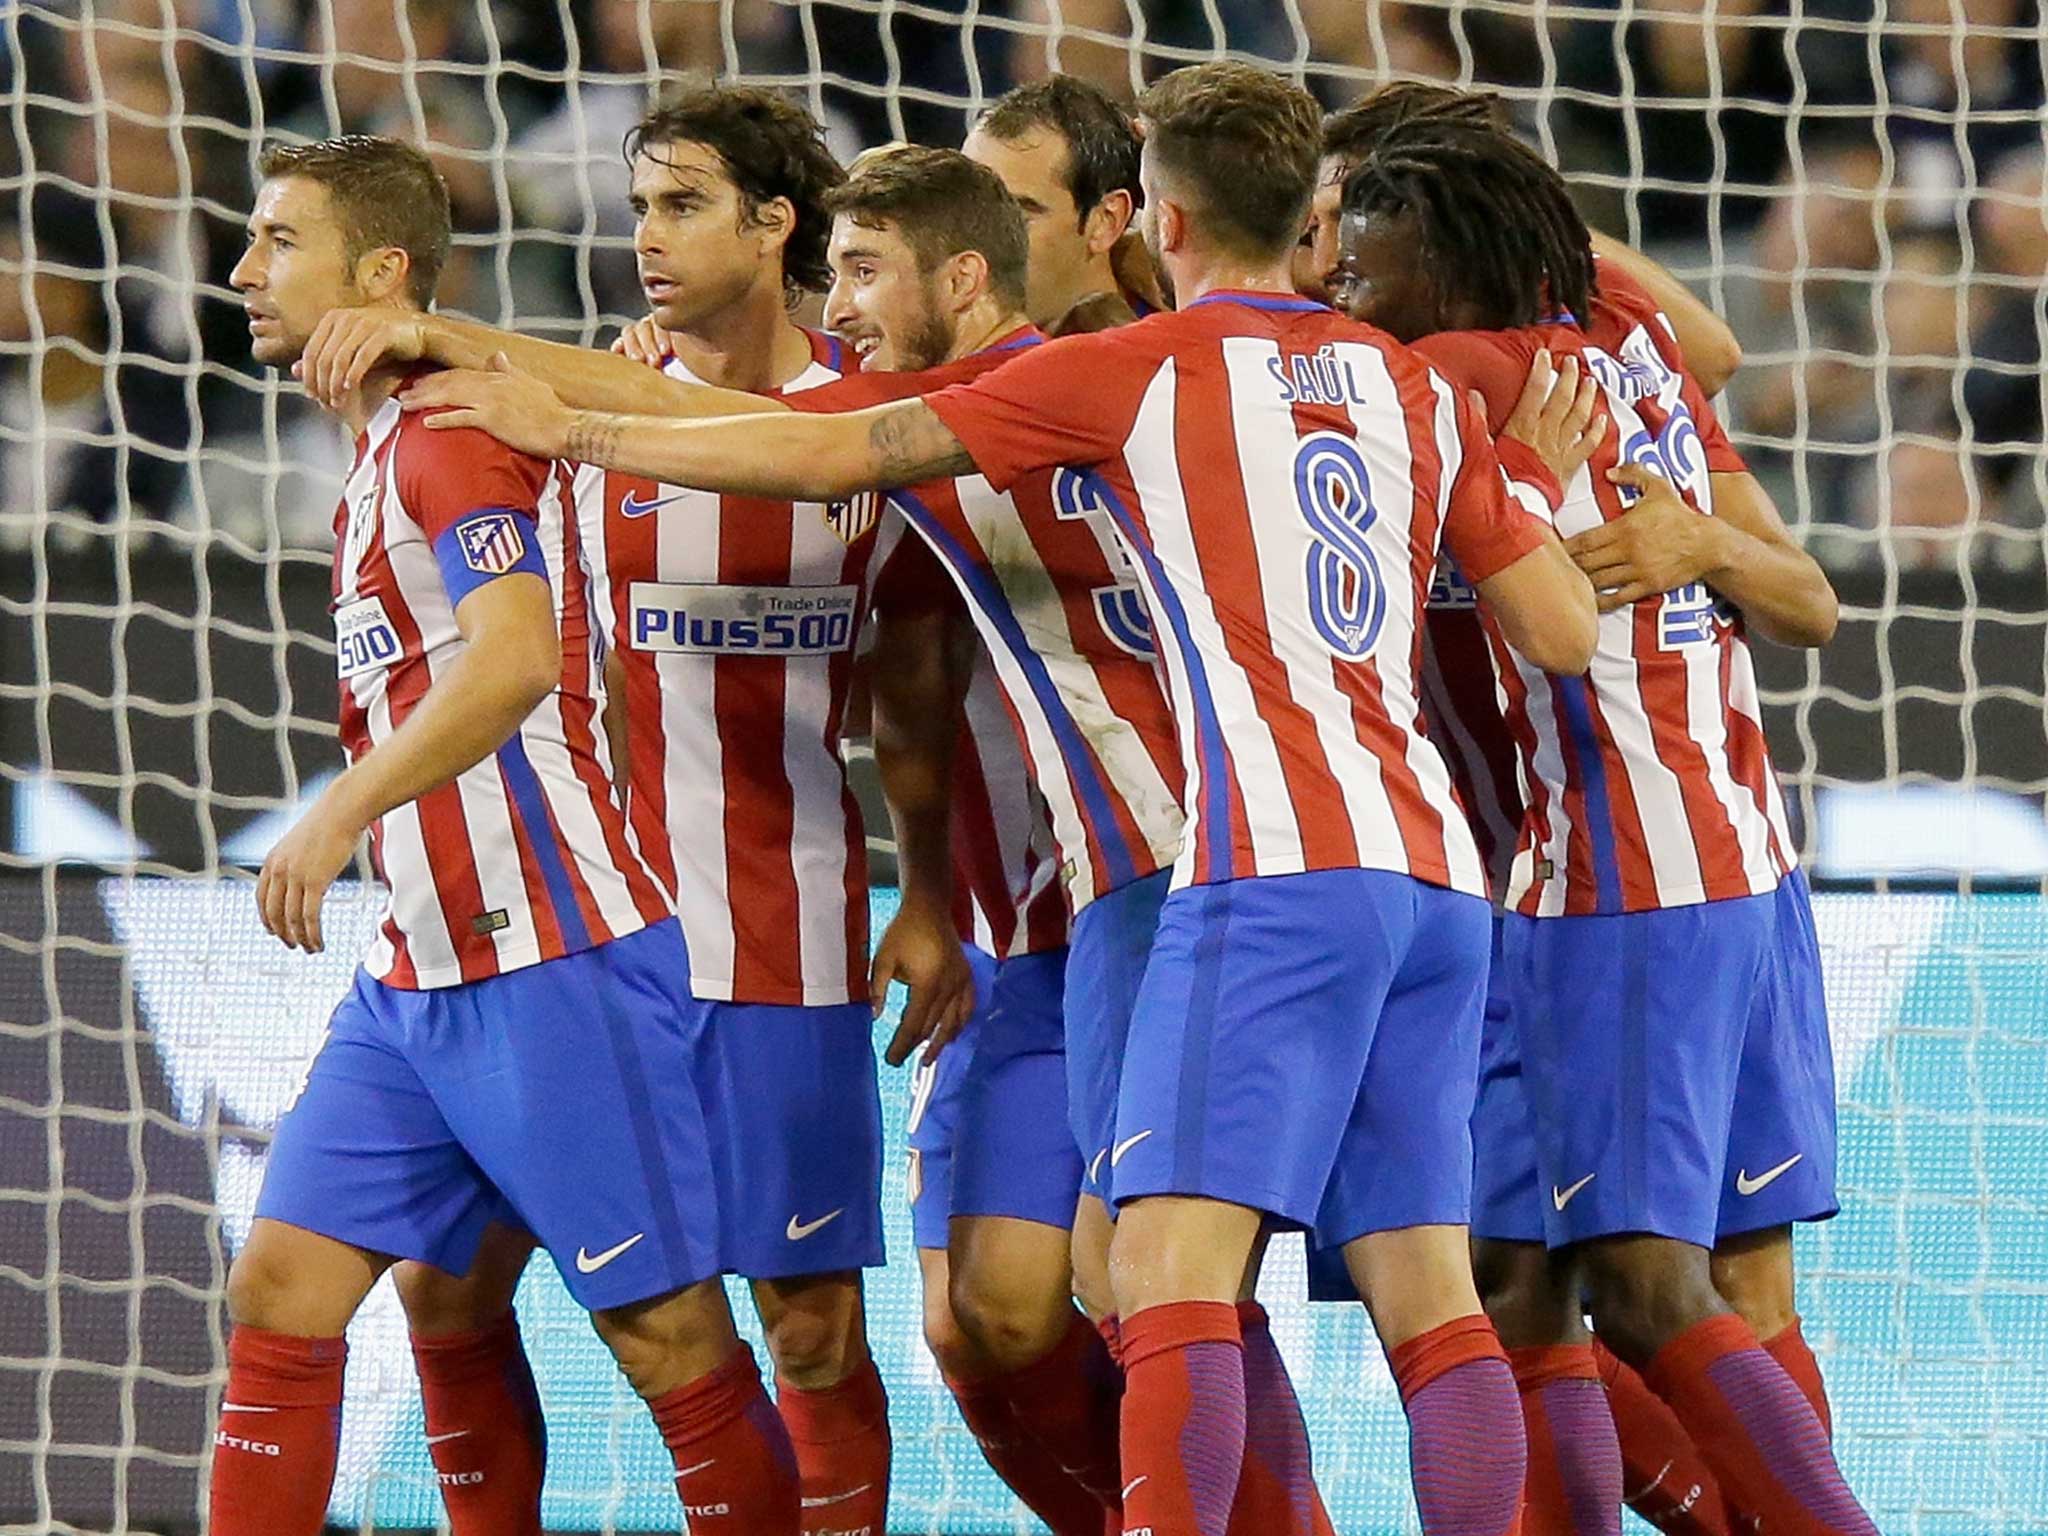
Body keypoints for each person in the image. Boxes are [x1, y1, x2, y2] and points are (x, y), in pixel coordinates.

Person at [397, 60, 1605, 1536]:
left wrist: (529, 403)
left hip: (1230, 868)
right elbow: (1557, 627)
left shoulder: (1111, 378)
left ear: (1147, 216)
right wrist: (1538, 484)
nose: (836, 308)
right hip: (1427, 867)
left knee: (1150, 1280)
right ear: (1316, 214)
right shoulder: (1403, 378)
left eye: (863, 270)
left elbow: (824, 443)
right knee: (1429, 1285)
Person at [295, 87, 975, 1536]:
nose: (645, 239)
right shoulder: (555, 412)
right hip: (577, 930)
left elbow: (915, 674)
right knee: (449, 1282)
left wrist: (928, 891)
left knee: (804, 1320)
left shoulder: (850, 424)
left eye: (681, 206)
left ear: (774, 222)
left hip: (778, 924)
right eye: (639, 206)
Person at [214, 133, 801, 1536]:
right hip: (418, 976)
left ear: (381, 273)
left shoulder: (447, 433)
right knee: (290, 1292)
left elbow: (515, 659)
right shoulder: (376, 450)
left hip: (557, 956)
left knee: (669, 1346)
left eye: (278, 242)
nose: (241, 271)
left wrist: (332, 813)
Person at [1332, 114, 1870, 1536]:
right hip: (1677, 859)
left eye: (1364, 259)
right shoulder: (1624, 354)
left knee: (1645, 1279)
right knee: (1518, 1274)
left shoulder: (1446, 371)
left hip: (1623, 869)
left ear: (1442, 260)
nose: (1337, 286)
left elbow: (1251, 382)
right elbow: (1716, 353)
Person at [962, 74, 1148, 334]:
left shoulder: (1184, 350)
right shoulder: (925, 344)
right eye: (965, 215)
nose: (973, 249)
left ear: (1106, 221)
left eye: (1015, 221)